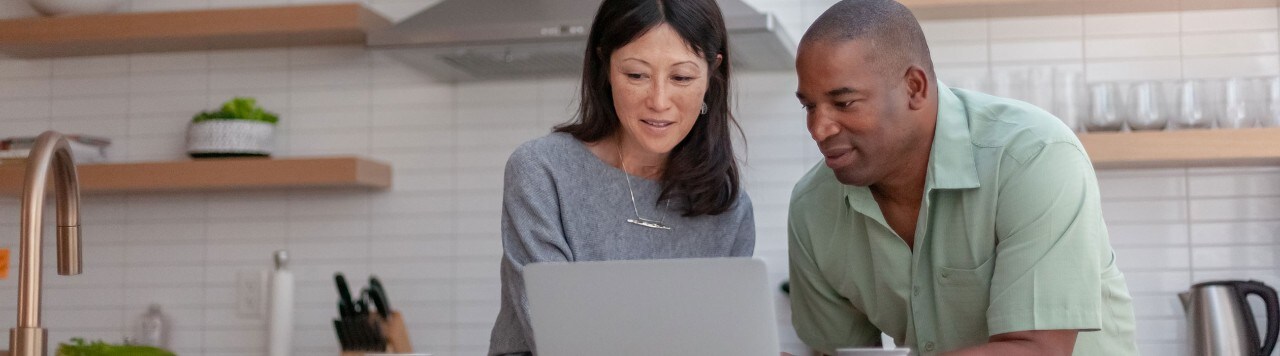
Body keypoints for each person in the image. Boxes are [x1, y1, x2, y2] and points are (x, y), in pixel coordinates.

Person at [786, 1, 1137, 355]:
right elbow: (836, 351)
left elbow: (1038, 350)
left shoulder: (1033, 155)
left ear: (914, 87)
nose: (818, 129)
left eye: (844, 103)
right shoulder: (812, 208)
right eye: (809, 106)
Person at [487, 0, 755, 354]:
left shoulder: (729, 208)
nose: (659, 101)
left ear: (711, 75)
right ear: (605, 68)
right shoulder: (542, 170)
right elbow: (553, 331)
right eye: (636, 75)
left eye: (681, 77)